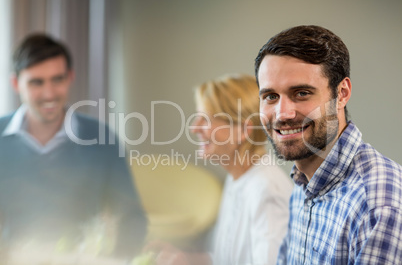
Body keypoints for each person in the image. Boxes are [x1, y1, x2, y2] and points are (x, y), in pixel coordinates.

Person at [255, 25, 402, 264]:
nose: (282, 114)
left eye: (301, 93)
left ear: (342, 93)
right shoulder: (303, 184)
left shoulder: (379, 206)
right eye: (271, 96)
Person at [0, 33, 147, 259]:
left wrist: (116, 260)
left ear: (70, 77)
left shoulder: (101, 139)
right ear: (15, 83)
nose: (49, 93)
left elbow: (131, 218)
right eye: (36, 82)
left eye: (57, 80)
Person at [147, 74, 293, 265]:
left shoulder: (267, 192)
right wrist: (186, 260)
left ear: (242, 130)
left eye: (206, 119)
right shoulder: (237, 179)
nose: (194, 128)